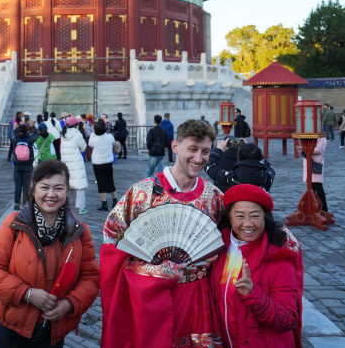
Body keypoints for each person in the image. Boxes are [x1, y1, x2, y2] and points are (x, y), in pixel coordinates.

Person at [100, 119, 224, 347]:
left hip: (199, 297)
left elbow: (223, 246)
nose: (199, 159)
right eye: (193, 149)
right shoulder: (142, 193)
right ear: (175, 146)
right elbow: (111, 242)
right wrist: (151, 271)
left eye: (205, 152)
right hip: (150, 296)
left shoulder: (214, 197)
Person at [0, 160, 100, 347]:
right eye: (45, 187)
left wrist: (69, 303)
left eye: (58, 188)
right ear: (34, 189)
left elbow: (91, 278)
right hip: (7, 329)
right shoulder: (14, 224)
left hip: (51, 332)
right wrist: (26, 293)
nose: (51, 194)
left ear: (67, 191)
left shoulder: (79, 232)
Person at [209, 184, 303, 347]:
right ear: (229, 217)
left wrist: (252, 294)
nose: (248, 224)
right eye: (240, 216)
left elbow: (288, 318)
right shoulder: (215, 249)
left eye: (254, 216)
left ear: (265, 218)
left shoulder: (279, 257)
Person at [206, 139, 275, 193]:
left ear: (239, 158)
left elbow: (210, 166)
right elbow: (268, 166)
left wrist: (218, 150)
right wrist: (253, 150)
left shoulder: (232, 177)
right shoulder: (266, 177)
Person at [60, 116, 88, 215]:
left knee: (69, 184)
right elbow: (83, 147)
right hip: (76, 161)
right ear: (76, 124)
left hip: (66, 162)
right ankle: (81, 207)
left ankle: (68, 206)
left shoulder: (63, 134)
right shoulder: (77, 134)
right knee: (79, 185)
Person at [88, 119, 117, 211]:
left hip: (97, 163)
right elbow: (113, 142)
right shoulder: (110, 137)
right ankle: (115, 200)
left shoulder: (93, 139)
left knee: (100, 183)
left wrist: (93, 133)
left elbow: (90, 143)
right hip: (108, 162)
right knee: (110, 181)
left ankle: (104, 203)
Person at [11, 124, 38, 210]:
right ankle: (25, 204)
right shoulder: (29, 140)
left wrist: (17, 128)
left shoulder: (15, 139)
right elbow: (36, 134)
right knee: (26, 186)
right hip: (28, 165)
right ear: (27, 132)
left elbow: (13, 132)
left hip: (17, 165)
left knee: (17, 185)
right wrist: (31, 126)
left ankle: (16, 204)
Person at [297, 137, 328, 212]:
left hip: (316, 164)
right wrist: (300, 149)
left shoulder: (322, 138)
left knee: (318, 188)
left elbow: (319, 150)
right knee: (311, 188)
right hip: (309, 164)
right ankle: (312, 207)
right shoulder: (310, 136)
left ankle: (324, 209)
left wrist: (305, 149)